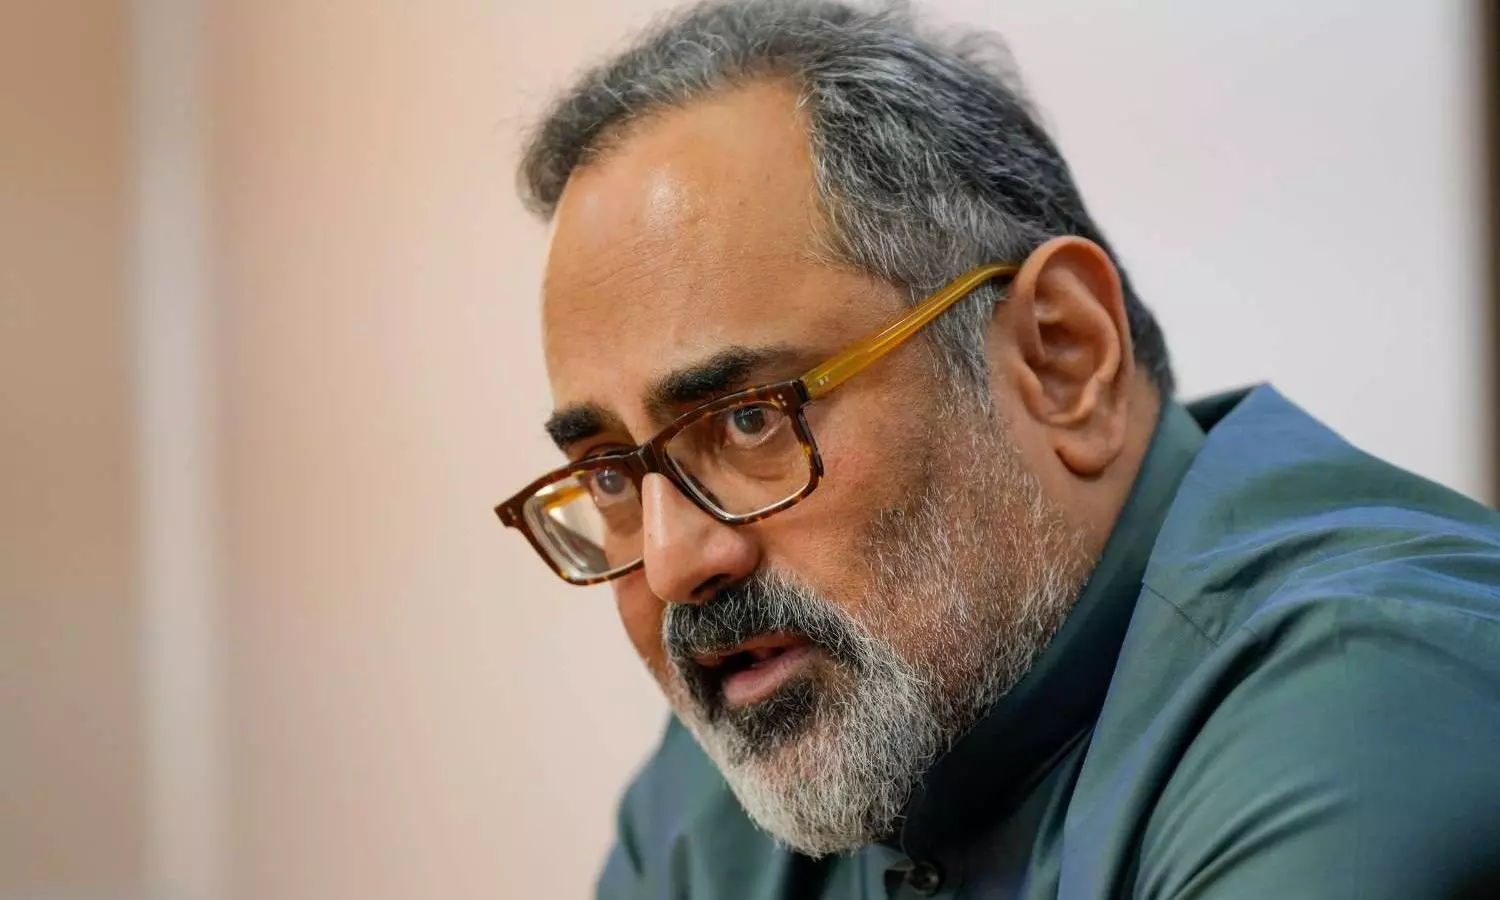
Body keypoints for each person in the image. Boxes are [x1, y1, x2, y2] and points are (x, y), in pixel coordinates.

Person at [495, 1, 1500, 896]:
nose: (674, 563)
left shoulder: (1375, 692)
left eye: (751, 418)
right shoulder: (739, 767)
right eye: (612, 476)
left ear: (1062, 356)